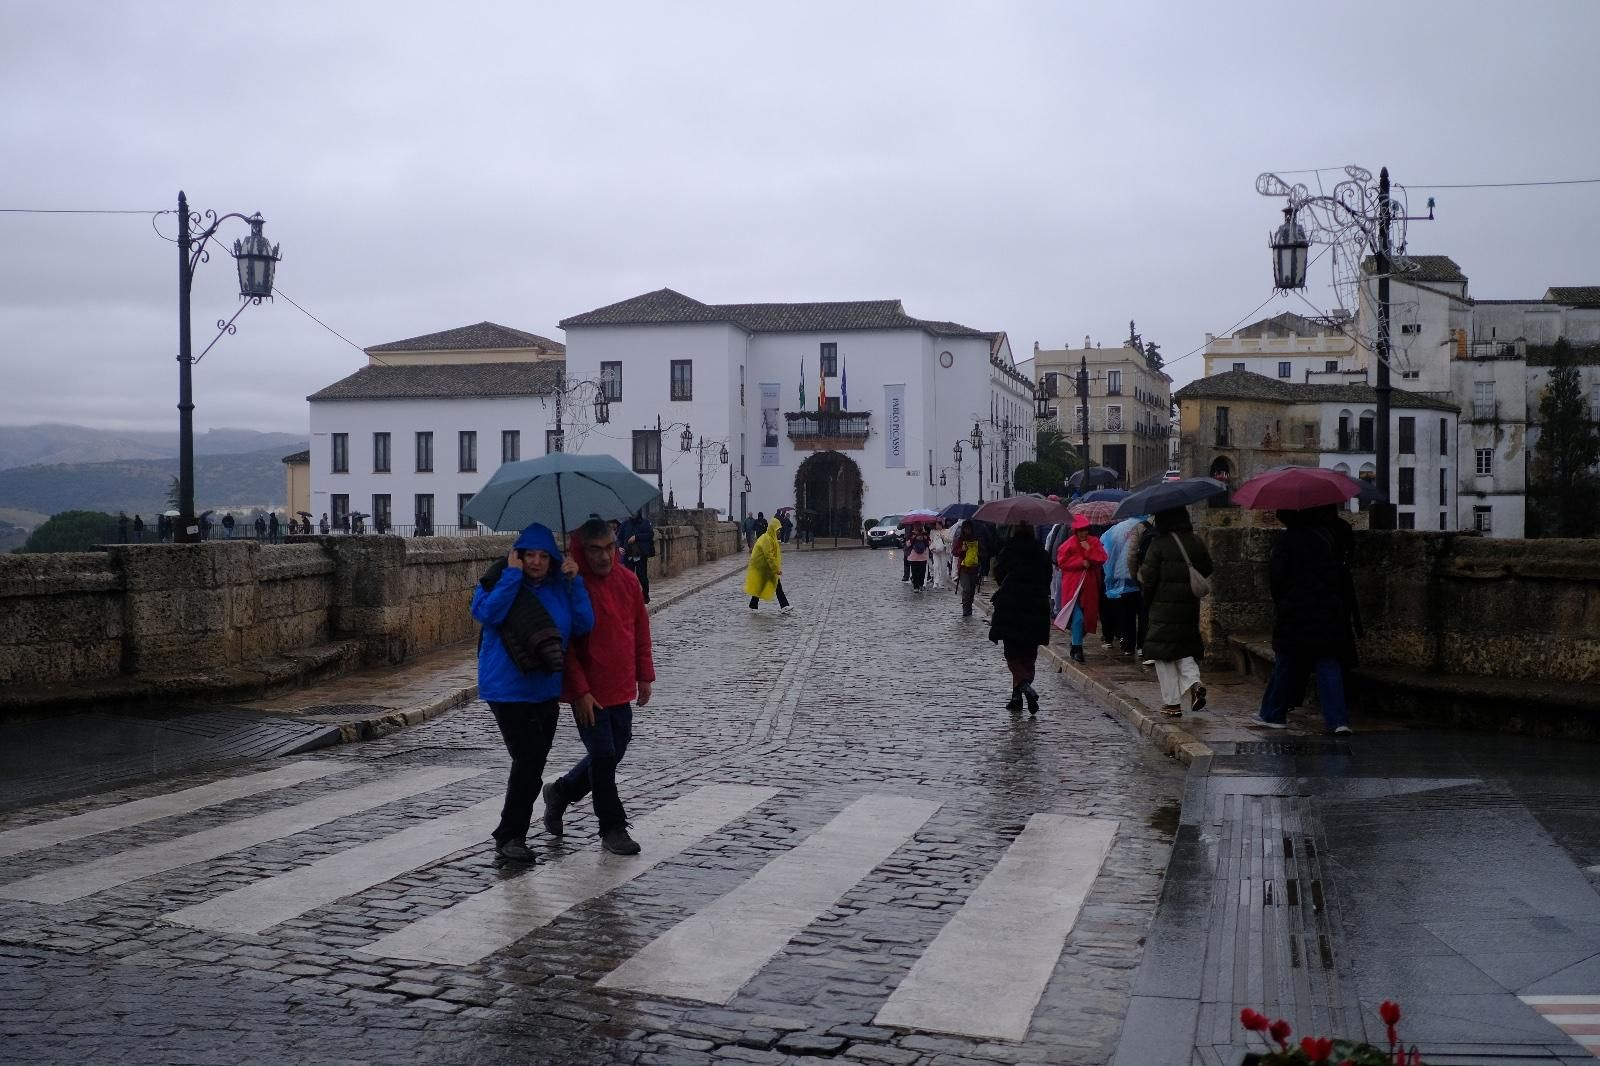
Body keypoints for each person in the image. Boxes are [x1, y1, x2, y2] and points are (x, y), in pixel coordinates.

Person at [471, 523, 594, 863]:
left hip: (545, 688)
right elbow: (486, 613)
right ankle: (510, 836)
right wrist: (511, 577)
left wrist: (575, 583)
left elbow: (583, 625)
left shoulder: (559, 586)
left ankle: (513, 832)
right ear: (517, 556)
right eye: (530, 556)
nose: (537, 562)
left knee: (534, 762)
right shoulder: (498, 579)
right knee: (527, 760)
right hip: (506, 688)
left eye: (543, 556)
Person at [544, 518, 654, 856]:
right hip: (588, 691)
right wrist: (580, 691)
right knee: (604, 755)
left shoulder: (628, 581)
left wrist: (644, 674)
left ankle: (562, 792)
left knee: (615, 749)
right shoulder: (573, 587)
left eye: (609, 548)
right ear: (583, 551)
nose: (605, 557)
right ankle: (612, 827)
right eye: (596, 551)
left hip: (620, 684)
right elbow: (568, 648)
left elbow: (639, 629)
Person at [1254, 508, 1357, 734]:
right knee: (1328, 662)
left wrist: (1283, 604)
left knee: (1286, 662)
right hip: (1328, 611)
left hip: (1296, 612)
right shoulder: (1327, 538)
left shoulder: (1287, 541)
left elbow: (1277, 580)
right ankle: (1338, 720)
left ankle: (1273, 714)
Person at [1138, 506, 1214, 717]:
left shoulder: (1159, 544)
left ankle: (1171, 704)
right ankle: (1194, 682)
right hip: (1188, 606)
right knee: (1184, 648)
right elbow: (1207, 568)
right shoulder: (1195, 541)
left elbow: (1148, 578)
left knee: (1164, 654)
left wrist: (1146, 596)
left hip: (1163, 607)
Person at [987, 523, 1052, 715]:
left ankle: (1024, 686)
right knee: (1029, 654)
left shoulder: (1009, 550)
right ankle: (1016, 698)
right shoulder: (1041, 552)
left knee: (1013, 653)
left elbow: (998, 574)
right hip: (1035, 607)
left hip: (1012, 606)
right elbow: (1048, 577)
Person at [1055, 514, 1107, 663]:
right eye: (1080, 530)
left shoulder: (1094, 542)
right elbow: (1062, 562)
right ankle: (1077, 649)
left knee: (1087, 619)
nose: (1084, 533)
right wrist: (1080, 562)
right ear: (1075, 531)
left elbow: (1102, 558)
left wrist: (1089, 550)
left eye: (1085, 530)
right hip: (1073, 589)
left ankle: (1075, 642)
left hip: (1089, 588)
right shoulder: (1068, 544)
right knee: (1077, 618)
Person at [1100, 514, 1149, 658]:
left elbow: (1106, 553)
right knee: (1143, 614)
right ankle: (1141, 646)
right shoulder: (1146, 527)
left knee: (1127, 615)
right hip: (1141, 578)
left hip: (1121, 578)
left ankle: (1128, 646)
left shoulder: (1114, 530)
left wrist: (1110, 579)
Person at [744, 517, 791, 612]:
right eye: (777, 530)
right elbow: (769, 556)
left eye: (779, 530)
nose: (779, 532)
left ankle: (753, 605)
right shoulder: (767, 539)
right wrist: (776, 569)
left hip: (765, 567)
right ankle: (784, 605)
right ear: (772, 529)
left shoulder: (771, 538)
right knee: (776, 585)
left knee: (765, 585)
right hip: (762, 567)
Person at [619, 509, 656, 604]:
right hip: (628, 554)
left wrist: (636, 537)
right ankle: (629, 596)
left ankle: (645, 594)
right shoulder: (625, 524)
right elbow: (619, 537)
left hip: (641, 553)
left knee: (642, 575)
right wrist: (619, 547)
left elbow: (650, 534)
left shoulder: (645, 523)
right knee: (628, 577)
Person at [952, 521, 985, 617]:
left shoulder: (977, 539)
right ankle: (966, 609)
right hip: (963, 568)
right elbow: (954, 552)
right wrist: (962, 550)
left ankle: (969, 606)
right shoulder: (960, 540)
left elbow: (984, 552)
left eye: (968, 528)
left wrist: (979, 554)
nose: (967, 530)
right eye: (965, 528)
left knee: (972, 589)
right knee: (966, 588)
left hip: (974, 568)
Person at [904, 524, 932, 592]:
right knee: (914, 572)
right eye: (916, 525)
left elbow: (929, 543)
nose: (918, 527)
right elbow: (908, 544)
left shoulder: (925, 534)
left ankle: (921, 585)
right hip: (914, 556)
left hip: (923, 556)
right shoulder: (911, 534)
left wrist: (924, 539)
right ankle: (915, 587)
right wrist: (914, 538)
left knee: (922, 572)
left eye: (920, 526)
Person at [928, 521, 952, 591]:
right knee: (936, 566)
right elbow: (931, 540)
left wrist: (943, 537)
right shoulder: (932, 531)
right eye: (936, 525)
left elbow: (950, 540)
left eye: (938, 524)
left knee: (943, 566)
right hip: (935, 551)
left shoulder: (946, 531)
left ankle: (942, 582)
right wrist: (932, 547)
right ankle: (936, 582)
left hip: (943, 551)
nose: (937, 526)